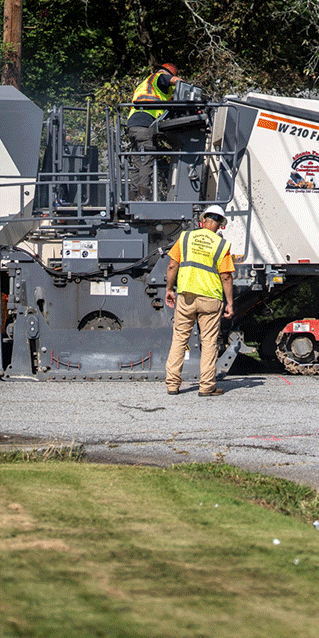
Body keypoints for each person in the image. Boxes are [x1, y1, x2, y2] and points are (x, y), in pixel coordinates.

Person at [164, 204, 234, 396]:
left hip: (186, 297)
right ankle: (206, 387)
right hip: (211, 299)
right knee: (209, 342)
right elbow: (226, 277)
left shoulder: (185, 238)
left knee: (179, 339)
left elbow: (172, 265)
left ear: (203, 221)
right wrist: (229, 302)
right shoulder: (221, 245)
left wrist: (169, 289)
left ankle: (172, 385)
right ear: (220, 225)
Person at [126, 62, 179, 200]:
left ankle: (133, 196)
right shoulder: (158, 77)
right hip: (144, 123)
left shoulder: (147, 85)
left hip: (133, 124)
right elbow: (174, 81)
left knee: (138, 162)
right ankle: (143, 196)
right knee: (147, 160)